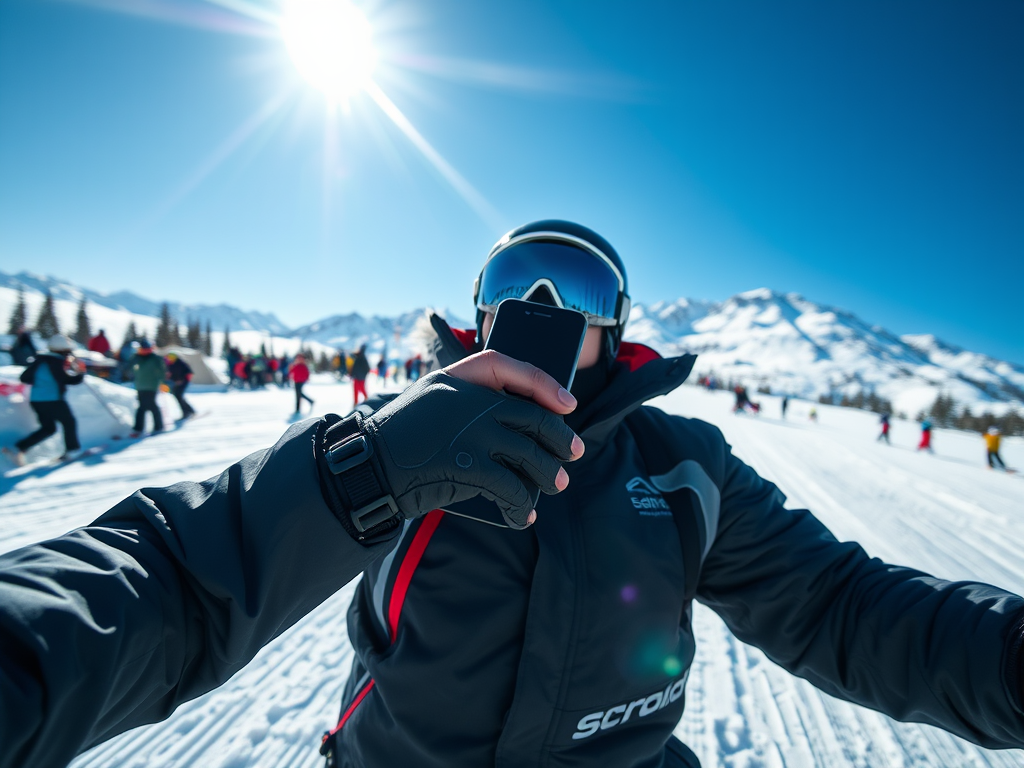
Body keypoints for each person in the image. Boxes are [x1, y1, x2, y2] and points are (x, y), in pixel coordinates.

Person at [0, 221, 1023, 768]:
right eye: (516, 281)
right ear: (479, 311)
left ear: (611, 333)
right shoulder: (392, 441)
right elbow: (185, 576)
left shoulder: (685, 469)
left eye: (571, 288)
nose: (538, 303)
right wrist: (372, 466)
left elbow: (844, 606)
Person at [4, 335, 85, 464]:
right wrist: (80, 373)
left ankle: (19, 448)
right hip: (53, 399)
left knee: (49, 428)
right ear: (63, 350)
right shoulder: (57, 361)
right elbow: (66, 379)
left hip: (36, 400)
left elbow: (25, 378)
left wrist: (42, 381)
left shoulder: (40, 359)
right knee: (69, 422)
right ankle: (72, 450)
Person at [128, 339, 165, 437]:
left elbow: (161, 370)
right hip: (141, 385)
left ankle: (156, 427)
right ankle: (141, 428)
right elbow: (130, 367)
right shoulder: (138, 357)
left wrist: (161, 379)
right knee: (143, 407)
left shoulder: (154, 358)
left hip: (150, 385)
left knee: (150, 405)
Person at [165, 352, 196, 421]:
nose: (169, 359)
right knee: (177, 395)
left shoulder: (180, 363)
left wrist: (182, 380)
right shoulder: (170, 365)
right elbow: (172, 375)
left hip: (184, 382)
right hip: (177, 382)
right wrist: (169, 378)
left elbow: (189, 372)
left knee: (179, 395)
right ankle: (190, 410)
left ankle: (187, 412)